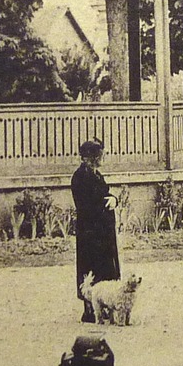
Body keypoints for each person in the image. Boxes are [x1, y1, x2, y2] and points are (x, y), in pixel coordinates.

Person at [70, 138, 121, 322]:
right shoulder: (80, 177)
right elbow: (86, 206)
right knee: (89, 268)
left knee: (105, 266)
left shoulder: (96, 175)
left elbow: (105, 193)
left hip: (103, 232)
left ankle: (104, 306)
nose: (103, 158)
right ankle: (90, 309)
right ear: (91, 156)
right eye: (101, 154)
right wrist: (105, 204)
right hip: (91, 233)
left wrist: (114, 199)